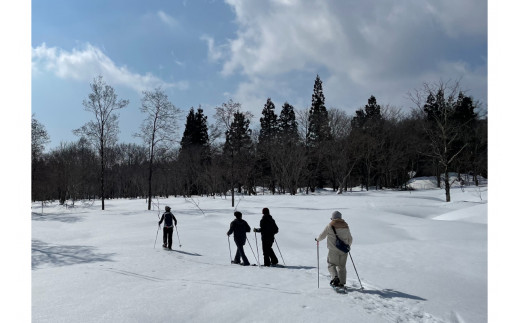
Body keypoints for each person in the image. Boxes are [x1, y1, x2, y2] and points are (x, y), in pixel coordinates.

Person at [315, 211, 353, 289]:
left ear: (333, 218)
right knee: (342, 266)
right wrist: (348, 246)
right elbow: (350, 238)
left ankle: (335, 278)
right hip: (344, 250)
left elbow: (322, 236)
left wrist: (317, 239)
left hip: (333, 250)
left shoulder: (330, 225)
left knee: (331, 264)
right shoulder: (345, 226)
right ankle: (341, 283)